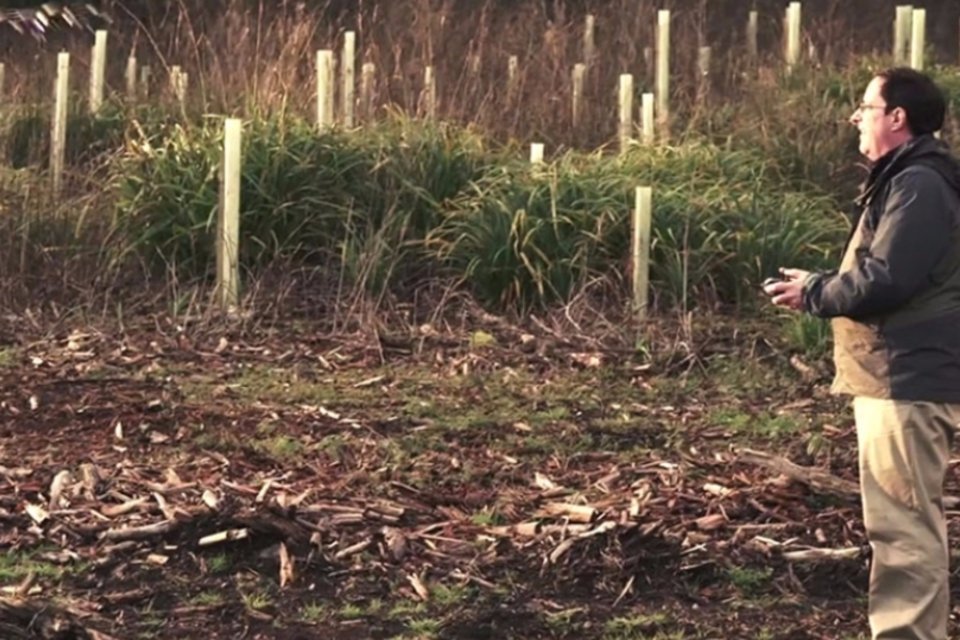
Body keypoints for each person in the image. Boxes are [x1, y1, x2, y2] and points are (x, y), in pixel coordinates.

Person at [765, 67, 960, 640]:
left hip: (906, 375)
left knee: (904, 527)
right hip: (906, 372)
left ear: (897, 118)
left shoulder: (919, 183)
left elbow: (888, 279)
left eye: (865, 106)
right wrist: (824, 282)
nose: (856, 117)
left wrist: (815, 291)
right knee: (907, 520)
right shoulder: (913, 178)